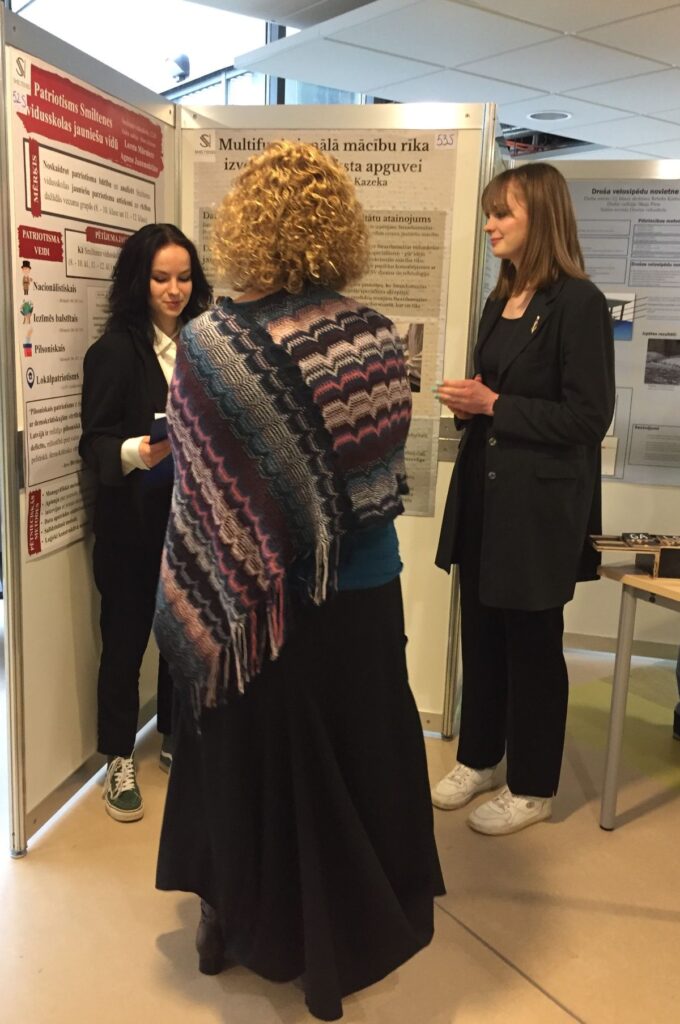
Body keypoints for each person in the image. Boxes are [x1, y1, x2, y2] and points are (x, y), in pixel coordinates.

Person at [154, 141, 444, 1021]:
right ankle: (348, 936)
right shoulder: (376, 336)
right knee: (357, 762)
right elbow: (379, 467)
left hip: (249, 607)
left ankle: (232, 916)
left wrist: (257, 531)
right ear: (339, 228)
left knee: (242, 762)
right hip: (357, 592)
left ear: (244, 226)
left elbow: (198, 487)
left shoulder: (207, 344)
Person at [431, 163, 616, 836]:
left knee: (532, 646)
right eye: (489, 213)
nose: (489, 225)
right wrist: (471, 407)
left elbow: (587, 419)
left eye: (502, 213)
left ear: (541, 217)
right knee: (480, 634)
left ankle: (534, 786)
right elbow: (497, 395)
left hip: (538, 510)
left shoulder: (579, 303)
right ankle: (481, 758)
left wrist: (495, 405)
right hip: (484, 494)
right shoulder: (500, 299)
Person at [79, 223, 212, 822]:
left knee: (183, 639)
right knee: (126, 643)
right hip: (131, 528)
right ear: (139, 280)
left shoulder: (205, 345)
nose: (174, 290)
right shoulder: (113, 353)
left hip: (190, 525)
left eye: (183, 277)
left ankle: (176, 737)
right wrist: (138, 450)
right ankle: (117, 756)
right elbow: (94, 443)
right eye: (161, 278)